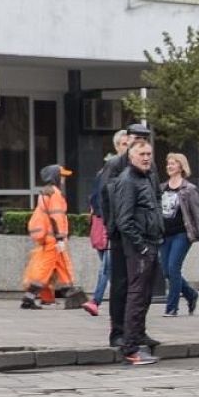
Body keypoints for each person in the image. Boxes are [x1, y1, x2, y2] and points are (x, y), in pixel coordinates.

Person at [98, 124, 155, 348]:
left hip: (145, 233)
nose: (139, 142)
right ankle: (118, 331)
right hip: (122, 233)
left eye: (144, 139)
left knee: (144, 286)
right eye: (135, 138)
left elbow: (155, 194)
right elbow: (105, 197)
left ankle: (138, 330)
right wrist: (112, 227)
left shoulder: (148, 165)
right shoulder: (114, 165)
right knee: (122, 283)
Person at [112, 139, 164, 365]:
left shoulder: (149, 177)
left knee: (143, 295)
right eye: (141, 154)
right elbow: (124, 220)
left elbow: (154, 207)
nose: (146, 158)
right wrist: (141, 246)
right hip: (139, 247)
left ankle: (137, 340)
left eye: (149, 154)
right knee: (136, 295)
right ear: (131, 156)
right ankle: (130, 348)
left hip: (151, 242)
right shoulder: (128, 180)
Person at [81, 130, 129, 317]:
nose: (127, 147)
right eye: (124, 144)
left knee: (108, 267)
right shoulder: (108, 169)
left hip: (119, 227)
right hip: (106, 224)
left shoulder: (133, 170)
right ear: (117, 146)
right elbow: (97, 198)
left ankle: (96, 300)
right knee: (110, 268)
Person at [21, 165, 79, 310]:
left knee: (62, 268)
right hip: (53, 240)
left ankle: (69, 296)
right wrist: (59, 238)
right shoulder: (55, 195)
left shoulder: (47, 193)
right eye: (62, 176)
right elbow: (56, 217)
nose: (64, 179)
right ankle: (29, 299)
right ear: (56, 177)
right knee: (43, 270)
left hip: (50, 239)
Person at [159, 153, 199, 317]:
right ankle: (190, 294)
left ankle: (171, 307)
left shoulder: (189, 189)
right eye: (168, 163)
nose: (169, 166)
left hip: (182, 234)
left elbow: (196, 215)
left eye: (173, 163)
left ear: (181, 166)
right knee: (166, 271)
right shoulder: (162, 188)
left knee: (173, 268)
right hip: (165, 234)